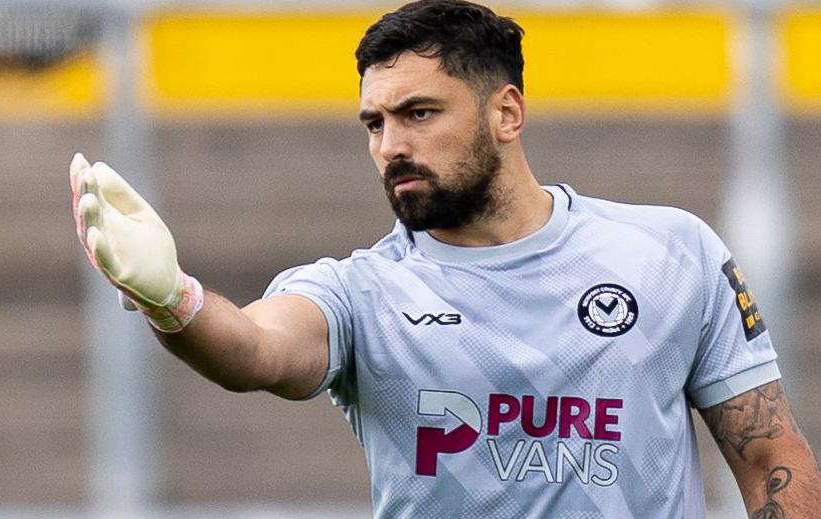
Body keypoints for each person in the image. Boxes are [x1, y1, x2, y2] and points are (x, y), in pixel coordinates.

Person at [69, 0, 821, 516]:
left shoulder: (670, 252)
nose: (391, 144)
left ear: (507, 112)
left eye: (419, 113)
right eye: (374, 122)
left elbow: (769, 454)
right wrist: (174, 299)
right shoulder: (361, 291)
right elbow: (258, 350)